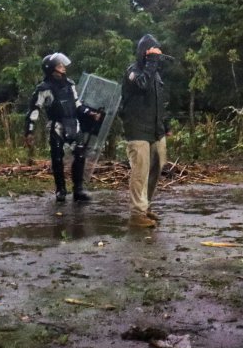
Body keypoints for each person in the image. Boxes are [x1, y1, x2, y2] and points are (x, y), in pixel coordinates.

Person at [24, 52, 102, 202]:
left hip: (74, 123)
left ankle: (78, 190)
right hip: (57, 125)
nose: (63, 68)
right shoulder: (44, 88)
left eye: (62, 65)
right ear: (51, 69)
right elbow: (34, 109)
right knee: (57, 157)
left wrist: (90, 113)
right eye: (60, 65)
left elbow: (77, 104)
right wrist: (29, 131)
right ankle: (61, 190)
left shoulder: (70, 84)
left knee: (80, 154)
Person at [120, 34, 169, 228]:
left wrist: (166, 125)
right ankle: (136, 213)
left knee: (156, 168)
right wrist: (150, 63)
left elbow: (160, 101)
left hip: (155, 129)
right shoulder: (133, 71)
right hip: (138, 129)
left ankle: (145, 206)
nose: (156, 57)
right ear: (144, 53)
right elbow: (142, 84)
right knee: (140, 171)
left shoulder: (155, 74)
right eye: (152, 53)